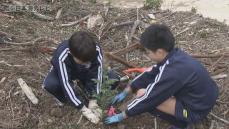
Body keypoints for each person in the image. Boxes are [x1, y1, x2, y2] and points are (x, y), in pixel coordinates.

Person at [104, 24, 219, 129]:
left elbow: (150, 98)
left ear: (159, 52)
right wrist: (127, 90)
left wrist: (123, 115)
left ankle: (184, 124)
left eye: (148, 52)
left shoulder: (172, 73)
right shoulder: (176, 56)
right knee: (144, 92)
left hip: (196, 109)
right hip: (204, 99)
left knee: (144, 96)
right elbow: (151, 73)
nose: (147, 55)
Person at [43, 31, 103, 124]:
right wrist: (83, 108)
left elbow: (97, 73)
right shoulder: (62, 56)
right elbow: (66, 82)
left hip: (84, 71)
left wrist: (94, 99)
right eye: (81, 61)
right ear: (71, 53)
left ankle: (85, 89)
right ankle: (65, 100)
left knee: (112, 77)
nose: (84, 62)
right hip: (66, 71)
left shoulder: (95, 50)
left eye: (87, 61)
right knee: (51, 84)